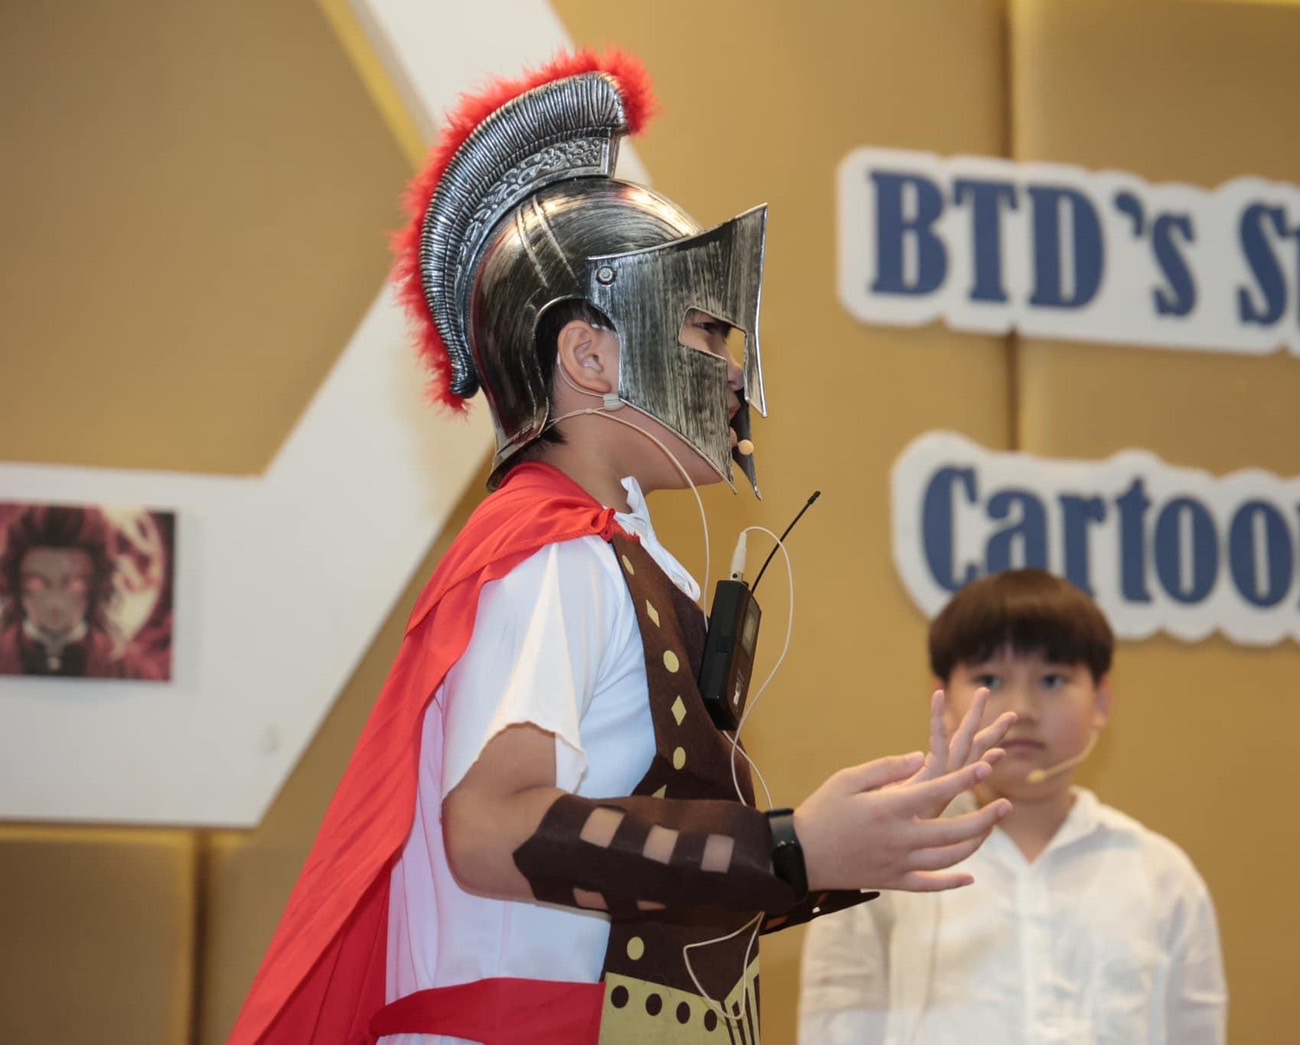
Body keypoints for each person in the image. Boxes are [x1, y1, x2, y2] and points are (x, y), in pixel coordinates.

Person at [231, 50, 1013, 1045]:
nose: (733, 374)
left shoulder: (608, 553)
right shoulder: (552, 557)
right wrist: (787, 847)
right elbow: (493, 829)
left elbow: (631, 884)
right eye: (706, 332)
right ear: (588, 353)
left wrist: (836, 846)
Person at [798, 569, 1228, 1044]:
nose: (1022, 708)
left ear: (1101, 701)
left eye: (1052, 679)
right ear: (944, 702)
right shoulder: (882, 860)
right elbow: (833, 1024)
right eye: (990, 679)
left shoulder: (1161, 876)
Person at [0, 505, 129, 678]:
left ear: (95, 587)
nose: (55, 601)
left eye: (73, 585)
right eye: (38, 584)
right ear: (16, 584)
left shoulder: (130, 670)